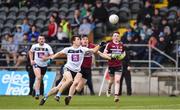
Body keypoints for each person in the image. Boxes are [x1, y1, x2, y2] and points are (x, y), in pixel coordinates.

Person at [39, 35, 120, 105]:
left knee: (57, 87)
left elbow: (94, 51)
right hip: (67, 68)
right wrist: (51, 59)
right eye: (78, 39)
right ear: (73, 42)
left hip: (76, 71)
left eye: (79, 39)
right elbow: (59, 53)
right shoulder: (68, 49)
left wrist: (100, 45)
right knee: (70, 80)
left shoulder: (83, 49)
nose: (80, 41)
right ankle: (58, 96)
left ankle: (45, 97)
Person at [29, 35, 54, 99]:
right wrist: (31, 60)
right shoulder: (34, 46)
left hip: (44, 65)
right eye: (40, 39)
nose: (41, 40)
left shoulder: (47, 47)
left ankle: (34, 89)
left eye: (43, 39)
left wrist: (46, 58)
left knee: (40, 79)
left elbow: (52, 56)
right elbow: (30, 52)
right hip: (36, 64)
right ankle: (37, 94)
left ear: (44, 40)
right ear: (38, 40)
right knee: (38, 77)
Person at [103, 31, 125, 102]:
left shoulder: (122, 45)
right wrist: (111, 55)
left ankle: (116, 96)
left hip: (119, 65)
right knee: (111, 81)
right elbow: (104, 54)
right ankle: (109, 88)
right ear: (112, 37)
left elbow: (123, 53)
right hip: (111, 65)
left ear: (119, 38)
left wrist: (122, 56)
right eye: (115, 36)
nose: (116, 37)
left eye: (117, 36)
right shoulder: (109, 44)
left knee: (117, 81)